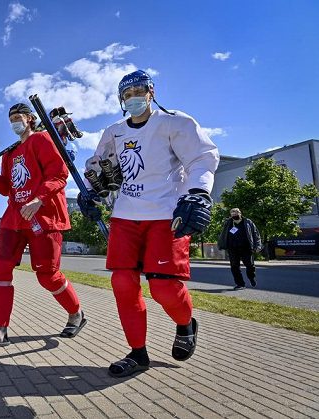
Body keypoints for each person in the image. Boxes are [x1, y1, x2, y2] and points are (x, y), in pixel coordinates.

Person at [78, 70, 220, 377]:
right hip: (126, 215)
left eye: (139, 91)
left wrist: (198, 194)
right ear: (121, 100)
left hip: (167, 213)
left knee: (164, 287)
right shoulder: (113, 131)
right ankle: (138, 353)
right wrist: (89, 194)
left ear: (151, 92)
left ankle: (185, 323)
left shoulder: (175, 123)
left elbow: (202, 157)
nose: (133, 98)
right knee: (122, 283)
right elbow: (99, 167)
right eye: (127, 95)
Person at [0, 103, 87, 350]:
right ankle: (0, 330)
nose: (14, 121)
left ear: (30, 118)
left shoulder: (43, 140)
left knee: (48, 276)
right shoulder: (10, 153)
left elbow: (58, 175)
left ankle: (76, 313)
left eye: (18, 117)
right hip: (14, 218)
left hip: (43, 216)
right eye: (11, 118)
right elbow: (8, 188)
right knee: (0, 268)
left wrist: (38, 199)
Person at [217, 208, 262, 289]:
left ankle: (251, 277)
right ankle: (240, 284)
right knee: (234, 266)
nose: (234, 215)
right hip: (232, 248)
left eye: (236, 213)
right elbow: (223, 234)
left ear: (240, 213)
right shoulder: (228, 222)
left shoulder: (248, 222)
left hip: (246, 247)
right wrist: (221, 244)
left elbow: (256, 234)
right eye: (232, 213)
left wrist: (258, 245)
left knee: (249, 265)